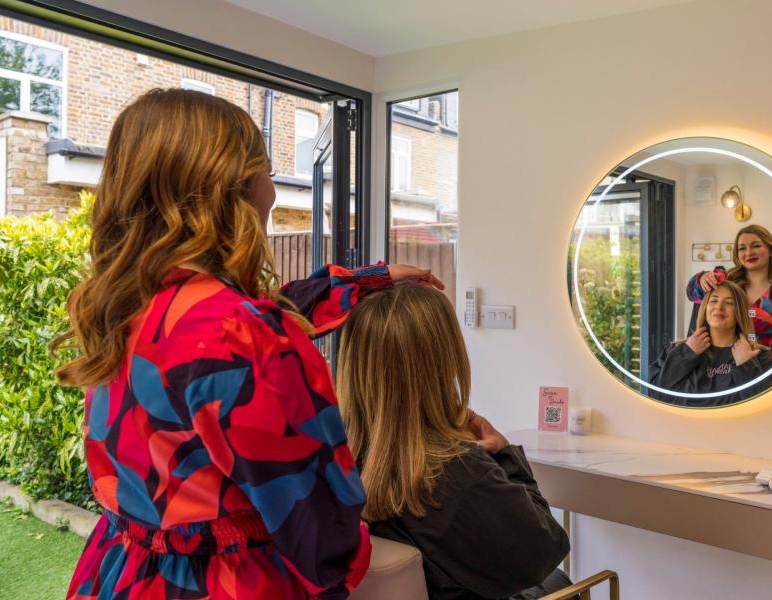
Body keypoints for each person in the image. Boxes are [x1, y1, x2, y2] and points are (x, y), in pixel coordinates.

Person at [54, 88, 440, 599]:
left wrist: (367, 280)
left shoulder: (124, 310)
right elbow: (323, 533)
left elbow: (261, 316)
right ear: (228, 190)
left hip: (122, 569)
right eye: (267, 172)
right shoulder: (244, 336)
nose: (273, 192)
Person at [336, 285, 572, 600]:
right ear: (442, 362)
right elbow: (545, 549)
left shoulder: (334, 465)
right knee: (561, 583)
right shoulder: (454, 472)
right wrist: (504, 455)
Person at [686, 224, 772, 374]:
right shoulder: (725, 281)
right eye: (742, 248)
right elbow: (692, 292)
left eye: (756, 246)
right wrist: (702, 278)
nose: (749, 252)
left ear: (771, 250)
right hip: (721, 371)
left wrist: (759, 372)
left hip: (767, 374)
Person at [651, 280, 772, 407]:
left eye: (729, 303)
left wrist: (746, 365)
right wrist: (685, 354)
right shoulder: (676, 350)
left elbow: (768, 408)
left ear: (740, 312)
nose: (719, 307)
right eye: (713, 301)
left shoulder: (761, 356)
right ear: (705, 308)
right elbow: (655, 396)